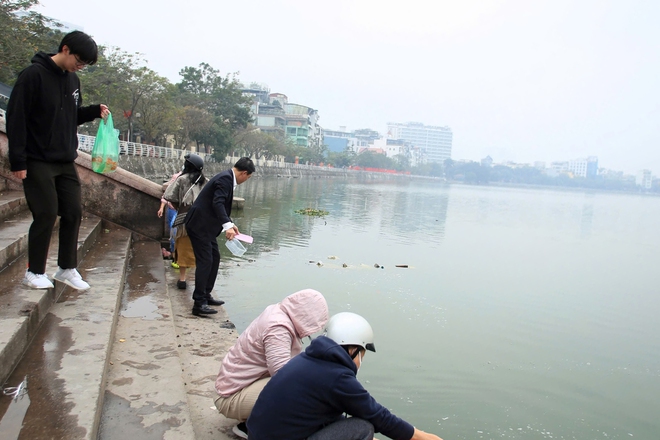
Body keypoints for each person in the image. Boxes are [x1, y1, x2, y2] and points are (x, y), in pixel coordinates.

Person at [6, 30, 110, 290]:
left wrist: (93, 111)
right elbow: (16, 118)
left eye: (85, 65)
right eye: (79, 60)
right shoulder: (33, 76)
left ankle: (66, 268)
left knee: (74, 212)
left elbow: (69, 116)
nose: (80, 67)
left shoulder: (73, 81)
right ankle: (34, 271)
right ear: (65, 49)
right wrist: (17, 161)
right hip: (37, 158)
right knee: (46, 212)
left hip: (64, 159)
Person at [247, 312, 444, 440]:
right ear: (352, 349)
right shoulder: (337, 377)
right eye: (362, 353)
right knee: (363, 428)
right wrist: (422, 436)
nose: (361, 360)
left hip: (259, 435)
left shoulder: (309, 359)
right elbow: (379, 417)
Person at [215, 288, 329, 438]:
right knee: (296, 390)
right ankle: (254, 428)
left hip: (234, 385)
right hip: (231, 397)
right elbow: (282, 375)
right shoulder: (278, 328)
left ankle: (258, 421)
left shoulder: (278, 313)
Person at [184, 157, 255, 316]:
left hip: (207, 227)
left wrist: (229, 222)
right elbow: (218, 203)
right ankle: (198, 303)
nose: (246, 180)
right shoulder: (225, 179)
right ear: (244, 173)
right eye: (248, 177)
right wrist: (227, 226)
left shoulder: (227, 178)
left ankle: (206, 294)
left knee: (215, 257)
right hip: (199, 225)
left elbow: (218, 205)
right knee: (206, 261)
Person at [161, 154, 207, 290]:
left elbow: (168, 195)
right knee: (198, 250)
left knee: (182, 248)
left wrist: (180, 207)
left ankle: (182, 279)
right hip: (201, 221)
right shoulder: (205, 181)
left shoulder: (181, 179)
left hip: (184, 220)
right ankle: (199, 279)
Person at [157, 169, 182, 260]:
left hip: (184, 210)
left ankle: (178, 254)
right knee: (173, 229)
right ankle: (173, 252)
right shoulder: (176, 177)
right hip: (173, 209)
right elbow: (167, 194)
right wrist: (161, 208)